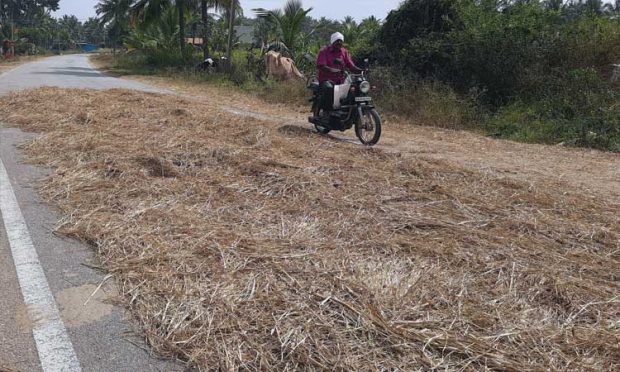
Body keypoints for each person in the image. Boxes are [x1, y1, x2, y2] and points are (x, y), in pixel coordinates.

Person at [316, 32, 364, 113]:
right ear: (333, 41)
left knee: (355, 89)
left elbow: (351, 66)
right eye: (337, 41)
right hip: (326, 79)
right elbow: (321, 66)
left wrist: (361, 70)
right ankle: (327, 111)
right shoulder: (324, 51)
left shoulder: (344, 52)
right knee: (329, 88)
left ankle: (348, 110)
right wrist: (333, 70)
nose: (339, 43)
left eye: (341, 41)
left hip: (341, 80)